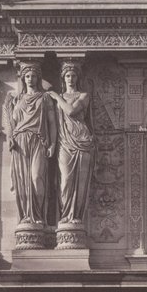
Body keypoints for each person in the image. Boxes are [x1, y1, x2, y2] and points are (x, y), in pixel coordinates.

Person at [6, 61, 56, 226]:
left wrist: (53, 144)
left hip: (38, 140)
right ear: (23, 78)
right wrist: (10, 136)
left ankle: (37, 216)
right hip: (20, 142)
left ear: (38, 78)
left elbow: (52, 123)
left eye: (33, 76)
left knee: (36, 178)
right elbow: (12, 122)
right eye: (27, 76)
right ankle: (26, 217)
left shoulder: (45, 98)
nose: (30, 79)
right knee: (22, 181)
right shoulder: (17, 99)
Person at [50, 62, 95, 225]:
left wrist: (56, 96)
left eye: (73, 75)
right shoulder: (60, 98)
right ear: (63, 78)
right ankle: (65, 216)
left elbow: (71, 111)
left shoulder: (83, 96)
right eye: (67, 75)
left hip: (82, 140)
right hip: (64, 142)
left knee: (81, 184)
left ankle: (75, 216)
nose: (70, 78)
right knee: (65, 181)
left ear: (78, 78)